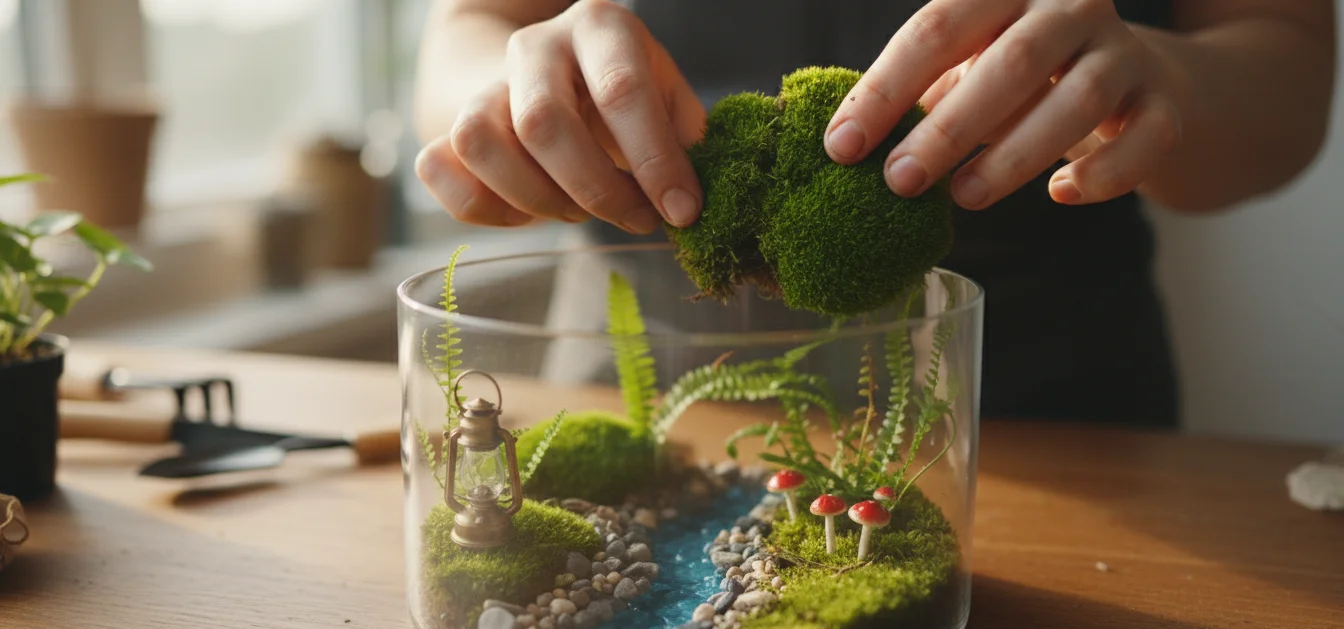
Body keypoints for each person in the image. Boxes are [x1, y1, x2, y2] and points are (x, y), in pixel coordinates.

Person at [410, 0, 1336, 429]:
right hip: (637, 393)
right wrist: (506, 94)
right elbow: (467, 31)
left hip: (1046, 411)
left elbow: (1292, 69)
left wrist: (1165, 79)